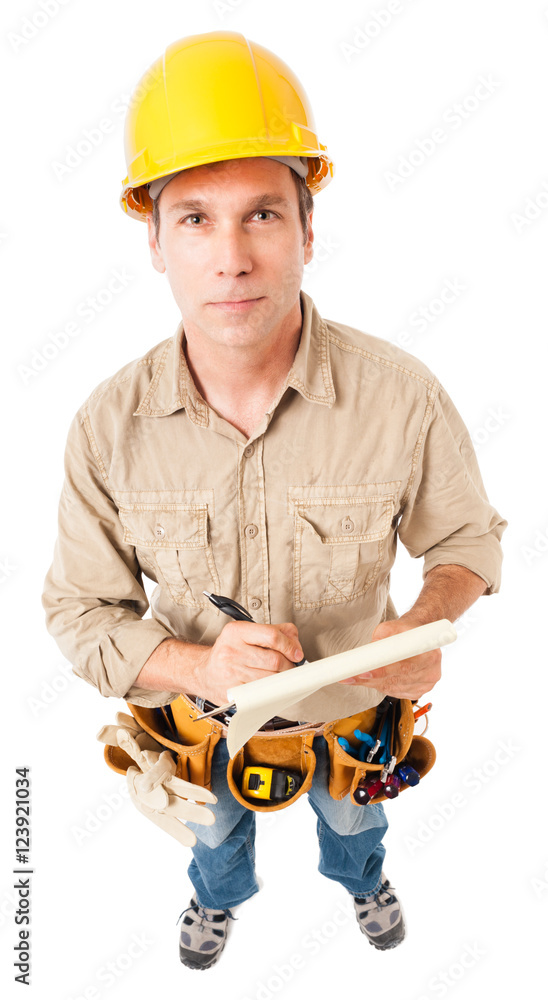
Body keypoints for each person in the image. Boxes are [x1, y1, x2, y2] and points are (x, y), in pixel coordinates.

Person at [42, 31, 507, 970]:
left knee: (355, 828)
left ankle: (362, 880)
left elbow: (466, 540)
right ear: (154, 241)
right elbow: (79, 613)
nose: (232, 258)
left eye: (262, 214)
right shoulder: (107, 426)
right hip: (204, 731)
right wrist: (196, 667)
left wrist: (425, 622)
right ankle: (218, 901)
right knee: (214, 846)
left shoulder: (401, 396)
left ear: (307, 229)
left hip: (353, 720)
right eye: (195, 219)